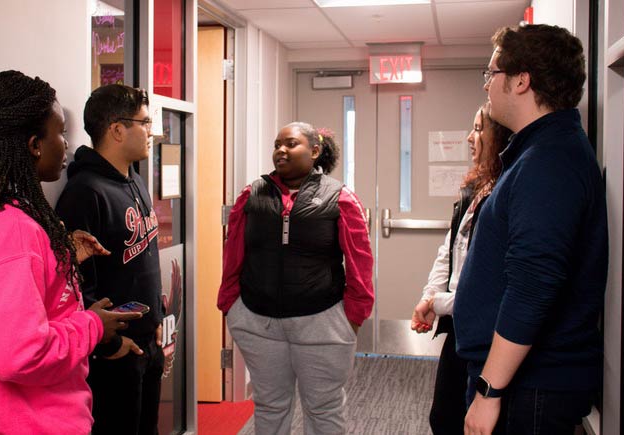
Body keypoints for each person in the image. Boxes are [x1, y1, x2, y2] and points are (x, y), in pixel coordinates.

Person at [0, 70, 140, 434]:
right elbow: (20, 355)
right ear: (35, 144)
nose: (67, 145)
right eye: (61, 132)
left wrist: (60, 258)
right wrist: (93, 326)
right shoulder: (13, 230)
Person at [454, 24, 608, 435]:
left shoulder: (549, 161)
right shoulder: (538, 151)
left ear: (521, 80)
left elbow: (533, 287)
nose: (487, 86)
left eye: (492, 74)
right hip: (522, 382)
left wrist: (488, 391)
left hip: (528, 387)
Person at [217, 123, 374, 434]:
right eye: (277, 144)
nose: (281, 150)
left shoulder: (339, 197)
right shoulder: (252, 194)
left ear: (314, 151)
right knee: (270, 406)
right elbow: (233, 252)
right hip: (258, 322)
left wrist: (352, 317)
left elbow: (360, 263)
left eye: (291, 144)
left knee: (323, 408)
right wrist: (230, 305)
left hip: (322, 321)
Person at [55, 84, 165, 435]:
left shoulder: (135, 180)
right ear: (117, 129)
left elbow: (143, 260)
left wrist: (157, 318)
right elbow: (75, 282)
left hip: (147, 342)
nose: (152, 132)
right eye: (145, 123)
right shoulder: (84, 192)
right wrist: (111, 343)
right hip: (113, 352)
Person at [411, 102, 511, 435]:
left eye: (479, 129)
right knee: (443, 417)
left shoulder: (504, 191)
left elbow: (491, 286)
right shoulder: (475, 190)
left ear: (500, 135)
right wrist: (430, 295)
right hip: (459, 325)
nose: (470, 138)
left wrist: (439, 304)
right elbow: (450, 249)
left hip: (486, 333)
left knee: (464, 421)